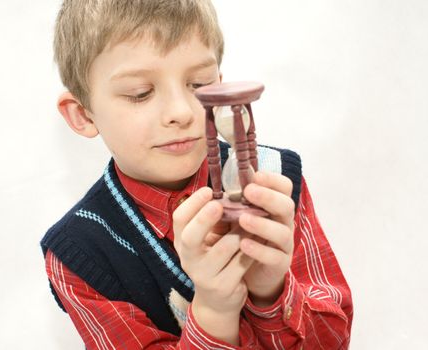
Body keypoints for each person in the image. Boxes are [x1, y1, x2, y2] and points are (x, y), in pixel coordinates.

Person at [40, 0, 353, 348]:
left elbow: (334, 341)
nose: (181, 111)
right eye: (140, 94)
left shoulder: (274, 180)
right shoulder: (78, 252)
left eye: (199, 83)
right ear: (83, 115)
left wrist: (271, 292)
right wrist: (213, 311)